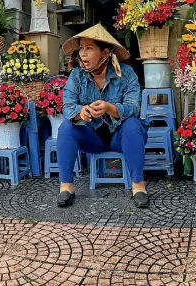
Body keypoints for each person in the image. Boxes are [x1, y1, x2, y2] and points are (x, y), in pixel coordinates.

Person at [57, 24, 148, 208]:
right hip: (92, 137)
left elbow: (134, 107)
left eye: (89, 48)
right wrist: (80, 112)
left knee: (132, 124)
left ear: (104, 52)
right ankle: (66, 186)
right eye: (81, 48)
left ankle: (138, 185)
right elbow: (67, 106)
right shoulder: (77, 75)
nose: (83, 54)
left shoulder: (126, 73)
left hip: (120, 137)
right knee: (66, 127)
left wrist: (110, 108)